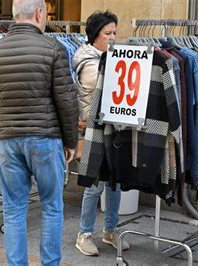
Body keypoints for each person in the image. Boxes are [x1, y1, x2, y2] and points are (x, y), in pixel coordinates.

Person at [0, 0, 78, 265]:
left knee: (13, 210)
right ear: (39, 13)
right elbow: (66, 101)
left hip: (9, 141)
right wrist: (71, 141)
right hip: (46, 138)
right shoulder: (53, 49)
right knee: (52, 207)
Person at [73, 10, 129, 256]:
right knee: (95, 184)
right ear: (95, 35)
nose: (113, 37)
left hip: (111, 128)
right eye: (108, 33)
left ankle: (110, 229)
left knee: (114, 182)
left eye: (115, 32)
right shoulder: (89, 62)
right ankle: (84, 233)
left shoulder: (109, 57)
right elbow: (106, 88)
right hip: (92, 130)